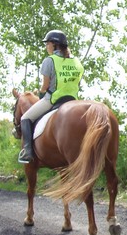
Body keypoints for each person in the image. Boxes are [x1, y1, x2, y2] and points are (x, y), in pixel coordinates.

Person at [17, 30, 84, 164]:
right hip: (73, 99)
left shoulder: (49, 61)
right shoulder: (76, 61)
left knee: (25, 118)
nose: (46, 47)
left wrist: (40, 92)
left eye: (47, 44)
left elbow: (45, 85)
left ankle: (27, 152)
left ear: (54, 45)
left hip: (53, 99)